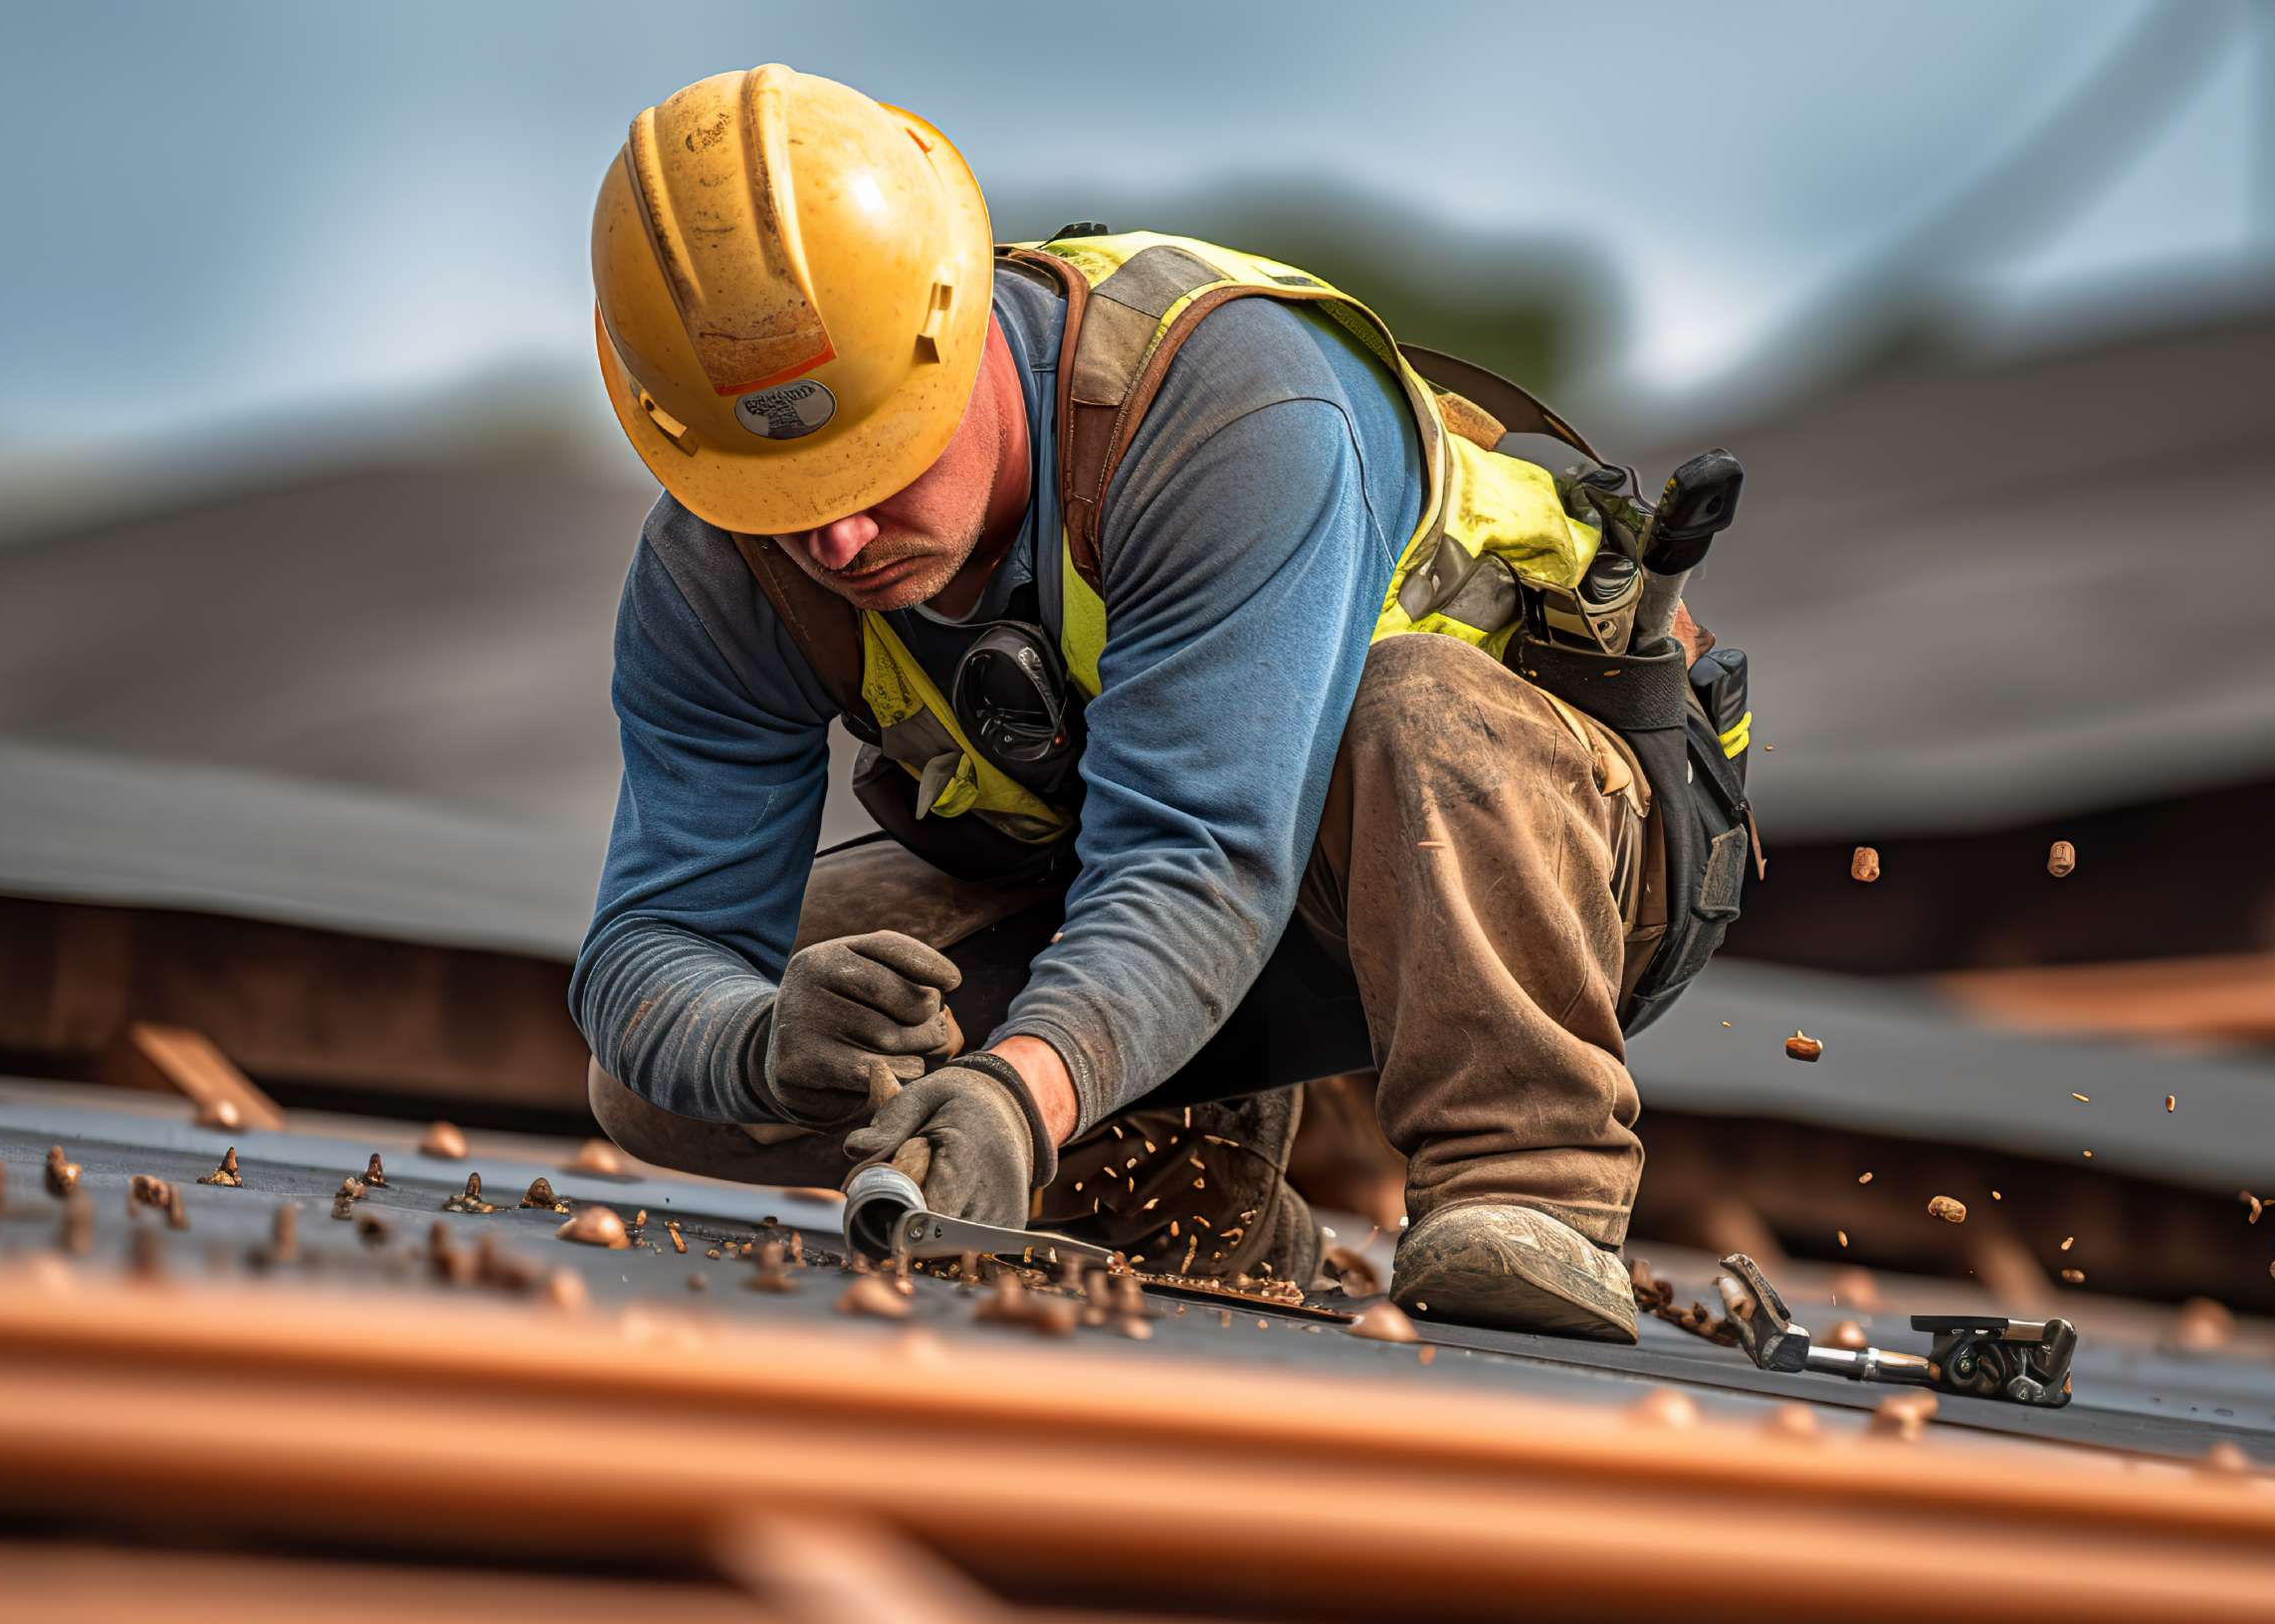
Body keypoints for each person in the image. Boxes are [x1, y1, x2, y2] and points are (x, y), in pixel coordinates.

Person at [571, 65, 1751, 1341]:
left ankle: (1527, 1192)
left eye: (875, 456)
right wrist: (762, 1042)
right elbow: (651, 944)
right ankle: (1200, 1213)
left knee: (1414, 709)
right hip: (1151, 891)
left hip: (1525, 870)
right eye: (782, 493)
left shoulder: (1225, 404)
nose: (841, 538)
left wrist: (1018, 1092)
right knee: (661, 1084)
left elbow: (1200, 851)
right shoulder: (718, 565)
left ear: (960, 324)